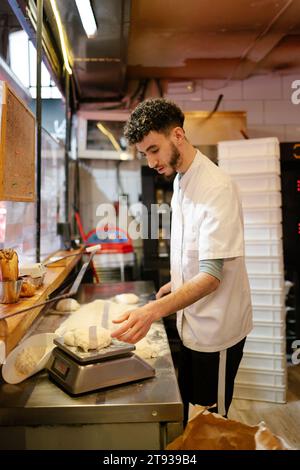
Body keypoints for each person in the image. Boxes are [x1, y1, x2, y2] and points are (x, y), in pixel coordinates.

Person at [111, 98, 253, 423]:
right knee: (192, 407)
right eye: (145, 153)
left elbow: (212, 276)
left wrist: (151, 312)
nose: (150, 162)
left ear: (177, 135)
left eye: (153, 150)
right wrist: (176, 282)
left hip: (216, 331)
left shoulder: (216, 187)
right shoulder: (180, 180)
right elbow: (196, 252)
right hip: (191, 323)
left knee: (210, 421)